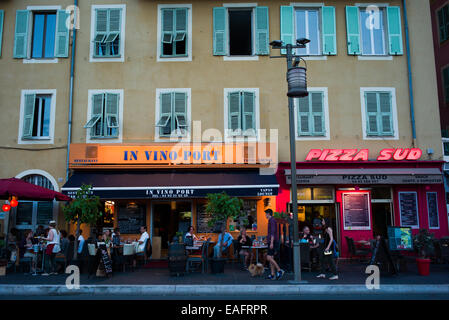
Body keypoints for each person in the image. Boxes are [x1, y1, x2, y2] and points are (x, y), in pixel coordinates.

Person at [265, 209, 284, 280]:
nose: (265, 215)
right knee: (271, 258)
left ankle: (279, 270)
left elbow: (272, 232)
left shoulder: (272, 220)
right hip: (271, 241)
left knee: (268, 258)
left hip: (272, 241)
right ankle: (272, 274)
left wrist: (271, 242)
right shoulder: (271, 220)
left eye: (266, 214)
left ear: (269, 214)